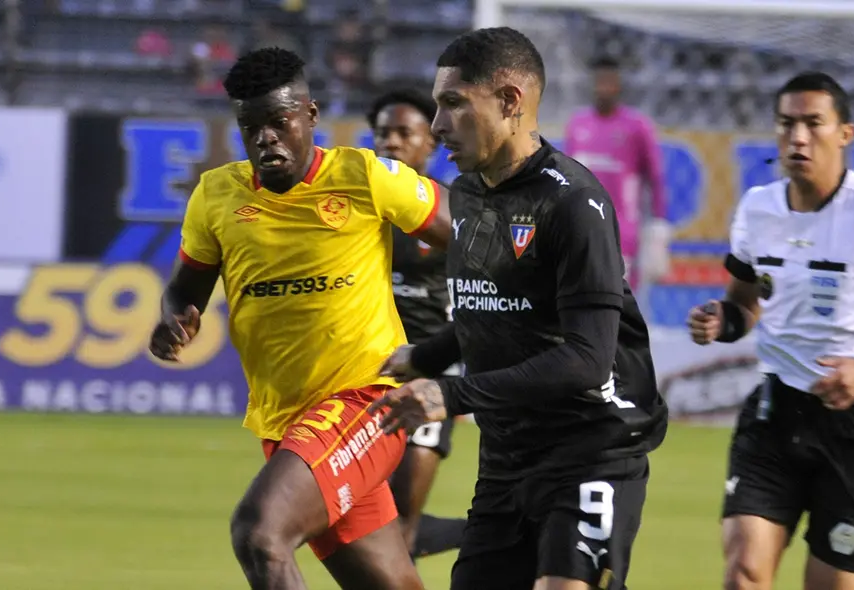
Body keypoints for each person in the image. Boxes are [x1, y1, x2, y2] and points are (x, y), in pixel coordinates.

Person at [370, 27, 668, 590]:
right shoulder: (471, 193)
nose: (437, 126)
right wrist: (422, 356)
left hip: (592, 448)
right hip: (507, 456)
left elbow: (586, 359)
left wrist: (451, 392)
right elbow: (494, 309)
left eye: (453, 103)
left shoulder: (573, 202)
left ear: (510, 102)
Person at [148, 47, 451, 590]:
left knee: (260, 532)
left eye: (278, 122)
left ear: (310, 116)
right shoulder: (217, 196)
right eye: (251, 126)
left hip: (365, 401)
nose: (265, 137)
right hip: (287, 422)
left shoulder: (365, 176)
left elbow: (471, 231)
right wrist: (172, 321)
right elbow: (184, 291)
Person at [687, 71, 854, 590]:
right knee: (745, 573)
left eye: (813, 123)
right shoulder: (758, 209)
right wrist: (720, 322)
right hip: (776, 413)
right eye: (787, 123)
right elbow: (744, 306)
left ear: (845, 133)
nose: (798, 136)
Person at [367, 88, 469, 560]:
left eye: (403, 133)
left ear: (430, 142)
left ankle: (495, 533)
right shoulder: (357, 211)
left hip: (430, 371)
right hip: (368, 369)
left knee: (403, 516)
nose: (390, 142)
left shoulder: (454, 209)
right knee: (369, 522)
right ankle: (495, 532)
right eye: (382, 133)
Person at [563, 56, 670, 290]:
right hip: (581, 228)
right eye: (599, 81)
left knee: (617, 302)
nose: (603, 87)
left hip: (622, 232)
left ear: (619, 84)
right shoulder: (577, 125)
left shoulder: (637, 126)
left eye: (609, 81)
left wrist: (659, 228)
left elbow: (655, 178)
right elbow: (567, 178)